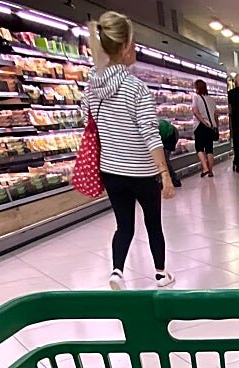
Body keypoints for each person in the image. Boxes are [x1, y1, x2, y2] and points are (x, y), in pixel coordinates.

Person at [85, 11, 176, 290]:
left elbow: (91, 125)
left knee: (123, 225)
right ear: (125, 47)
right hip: (141, 172)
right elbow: (150, 133)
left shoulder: (91, 87)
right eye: (133, 42)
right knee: (153, 224)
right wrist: (165, 173)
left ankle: (116, 271)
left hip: (111, 170)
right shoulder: (136, 88)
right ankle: (160, 274)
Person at [191, 78, 218, 178]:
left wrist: (203, 122)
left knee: (199, 148)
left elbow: (195, 112)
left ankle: (205, 168)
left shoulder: (196, 98)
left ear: (197, 88)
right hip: (211, 126)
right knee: (209, 149)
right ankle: (210, 172)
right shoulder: (211, 99)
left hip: (201, 126)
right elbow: (216, 115)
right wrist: (216, 126)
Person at [158, 118, 182, 188]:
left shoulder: (151, 131)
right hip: (165, 135)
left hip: (171, 134)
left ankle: (175, 179)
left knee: (164, 159)